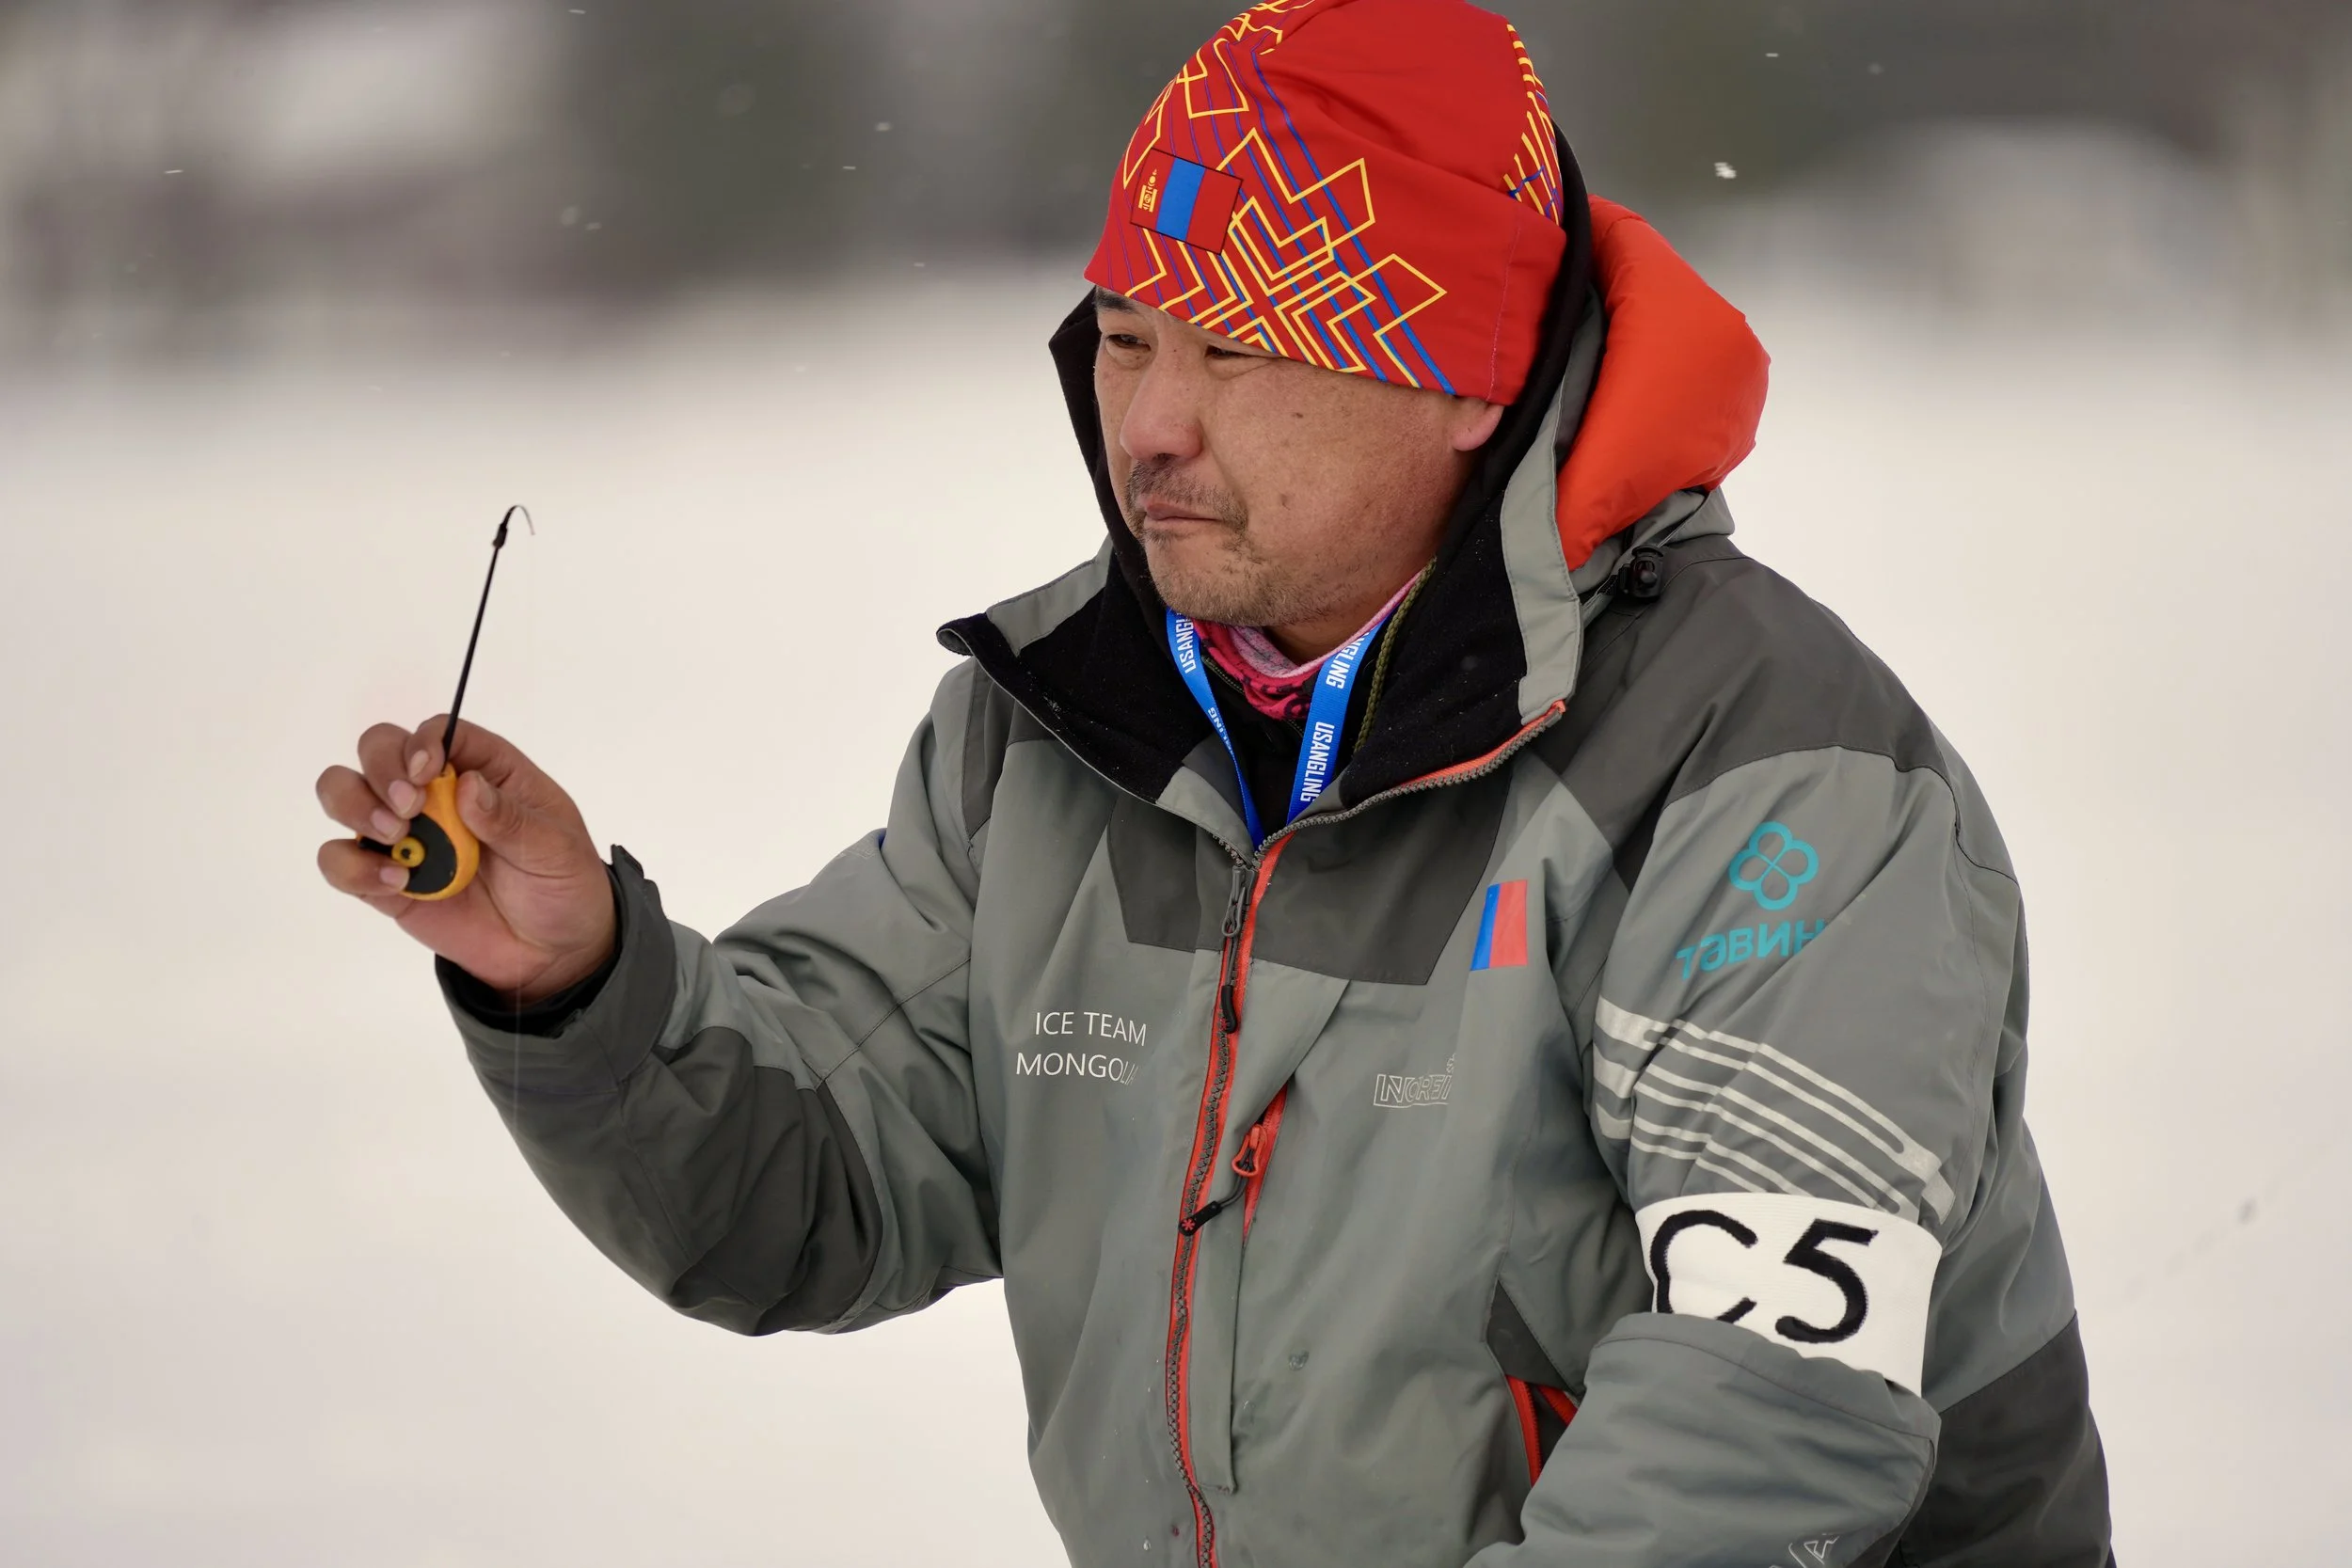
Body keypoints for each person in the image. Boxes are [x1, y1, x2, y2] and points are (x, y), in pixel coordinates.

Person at [314, 2, 2114, 1562]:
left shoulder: (1771, 774)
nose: (1149, 424)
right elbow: (811, 1190)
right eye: (1121, 337)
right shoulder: (1059, 736)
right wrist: (580, 984)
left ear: (1468, 380)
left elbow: (1769, 1421)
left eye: (1237, 349)